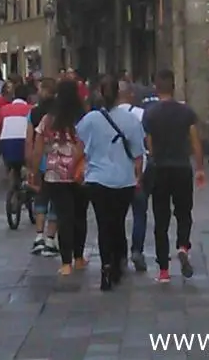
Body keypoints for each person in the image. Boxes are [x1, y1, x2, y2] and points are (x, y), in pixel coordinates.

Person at [76, 76, 144, 290]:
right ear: (119, 94)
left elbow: (79, 143)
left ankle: (106, 266)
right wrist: (138, 177)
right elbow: (139, 154)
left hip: (97, 179)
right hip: (123, 180)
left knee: (103, 224)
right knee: (118, 222)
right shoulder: (131, 120)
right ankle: (117, 263)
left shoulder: (90, 119)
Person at [142, 69, 206, 283]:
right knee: (183, 212)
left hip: (160, 168)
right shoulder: (186, 112)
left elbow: (149, 144)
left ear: (156, 88)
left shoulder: (150, 113)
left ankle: (163, 270)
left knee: (161, 218)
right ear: (174, 86)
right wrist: (199, 168)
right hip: (181, 167)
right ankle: (183, 246)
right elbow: (195, 141)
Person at [30, 79, 89, 276]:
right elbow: (88, 144)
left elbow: (37, 149)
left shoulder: (48, 119)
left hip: (55, 174)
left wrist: (34, 172)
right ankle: (79, 257)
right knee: (80, 215)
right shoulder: (84, 119)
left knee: (65, 216)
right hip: (81, 173)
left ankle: (66, 263)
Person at [118, 81, 150, 272]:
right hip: (139, 171)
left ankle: (120, 254)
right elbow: (147, 140)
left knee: (117, 215)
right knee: (139, 214)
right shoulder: (141, 114)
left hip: (116, 173)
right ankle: (137, 250)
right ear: (130, 94)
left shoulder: (105, 115)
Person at [28, 78, 59, 256]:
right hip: (59, 164)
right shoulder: (62, 114)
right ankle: (50, 239)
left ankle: (39, 236)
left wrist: (30, 164)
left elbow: (30, 140)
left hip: (40, 162)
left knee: (41, 197)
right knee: (55, 200)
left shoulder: (34, 113)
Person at [0, 83, 33, 181]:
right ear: (28, 97)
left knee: (12, 168)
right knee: (25, 166)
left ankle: (11, 188)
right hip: (23, 141)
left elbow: (0, 126)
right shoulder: (31, 109)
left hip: (6, 142)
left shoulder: (4, 109)